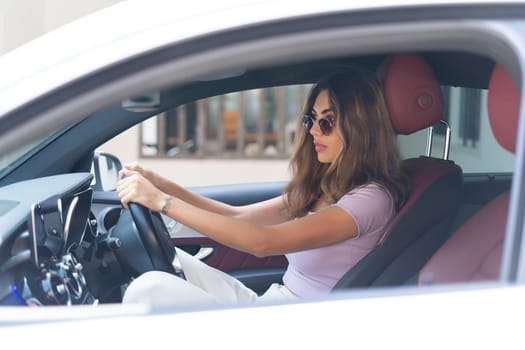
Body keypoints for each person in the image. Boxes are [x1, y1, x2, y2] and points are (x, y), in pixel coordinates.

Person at [116, 69, 409, 308]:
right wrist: (163, 185)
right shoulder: (326, 185)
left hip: (297, 328)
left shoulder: (371, 199)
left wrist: (162, 201)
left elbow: (263, 242)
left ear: (360, 127)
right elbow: (237, 216)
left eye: (328, 121)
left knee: (149, 289)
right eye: (312, 120)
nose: (314, 131)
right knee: (169, 261)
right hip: (272, 303)